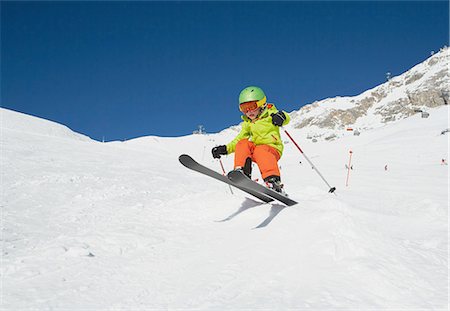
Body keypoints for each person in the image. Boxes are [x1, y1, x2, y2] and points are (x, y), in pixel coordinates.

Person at [211, 86, 290, 193]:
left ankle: (273, 181)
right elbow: (238, 140)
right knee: (242, 143)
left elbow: (286, 117)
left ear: (262, 104)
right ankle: (242, 172)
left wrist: (281, 117)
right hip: (256, 151)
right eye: (244, 108)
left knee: (260, 150)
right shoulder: (248, 124)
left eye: (251, 106)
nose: (248, 111)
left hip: (272, 150)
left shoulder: (271, 114)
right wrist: (225, 149)